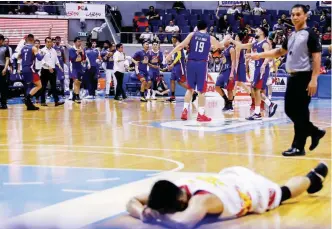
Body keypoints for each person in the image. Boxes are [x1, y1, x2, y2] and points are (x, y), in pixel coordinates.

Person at [126, 162, 328, 229]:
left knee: (284, 192)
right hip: (229, 179)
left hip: (252, 189)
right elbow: (131, 201)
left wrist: (157, 217)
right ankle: (313, 179)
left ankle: (312, 178)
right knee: (283, 191)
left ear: (180, 201)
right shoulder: (177, 188)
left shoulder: (201, 200)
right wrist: (143, 211)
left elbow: (184, 223)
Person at [246, 4, 326, 156]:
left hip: (304, 76)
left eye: (298, 14)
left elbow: (317, 57)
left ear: (305, 16)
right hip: (292, 77)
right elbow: (279, 51)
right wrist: (259, 55)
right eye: (293, 14)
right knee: (291, 110)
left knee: (301, 111)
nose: (295, 17)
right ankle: (314, 132)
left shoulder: (310, 34)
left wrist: (314, 79)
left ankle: (298, 146)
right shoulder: (292, 35)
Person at [166, 20, 229, 121]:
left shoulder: (192, 34)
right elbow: (220, 46)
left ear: (197, 27)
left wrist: (169, 54)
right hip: (202, 64)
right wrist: (225, 38)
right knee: (201, 91)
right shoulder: (210, 37)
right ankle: (201, 114)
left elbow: (181, 45)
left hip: (190, 63)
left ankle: (185, 110)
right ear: (206, 28)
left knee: (190, 88)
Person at [231, 27, 278, 120]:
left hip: (262, 69)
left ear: (262, 32)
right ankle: (270, 104)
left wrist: (264, 65)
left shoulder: (265, 44)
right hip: (257, 68)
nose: (255, 31)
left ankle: (258, 112)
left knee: (256, 90)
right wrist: (232, 40)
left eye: (257, 30)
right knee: (255, 90)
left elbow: (268, 56)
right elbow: (242, 46)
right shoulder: (255, 44)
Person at [20, 34, 44, 110]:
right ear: (32, 40)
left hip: (24, 69)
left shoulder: (23, 48)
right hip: (31, 70)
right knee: (39, 85)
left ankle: (29, 105)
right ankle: (27, 98)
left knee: (30, 86)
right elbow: (39, 58)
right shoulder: (33, 48)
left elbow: (19, 57)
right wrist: (43, 54)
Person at [40, 37, 64, 107]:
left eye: (50, 42)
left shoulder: (54, 50)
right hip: (45, 70)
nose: (49, 43)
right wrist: (48, 67)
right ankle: (42, 101)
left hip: (53, 70)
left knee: (54, 86)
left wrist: (59, 66)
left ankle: (56, 101)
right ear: (45, 42)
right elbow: (42, 61)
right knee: (43, 86)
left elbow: (56, 60)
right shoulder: (42, 50)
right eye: (48, 42)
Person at [167, 34, 190, 103]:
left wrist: (172, 64)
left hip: (179, 65)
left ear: (176, 38)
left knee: (180, 82)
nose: (171, 39)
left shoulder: (178, 44)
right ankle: (172, 96)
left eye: (172, 38)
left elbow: (179, 56)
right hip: (175, 65)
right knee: (172, 80)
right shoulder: (175, 45)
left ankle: (193, 92)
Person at [215, 38, 235, 112]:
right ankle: (226, 101)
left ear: (229, 41)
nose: (223, 41)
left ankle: (230, 105)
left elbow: (233, 62)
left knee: (229, 89)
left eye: (225, 39)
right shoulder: (224, 49)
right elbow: (223, 62)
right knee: (217, 86)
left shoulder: (231, 49)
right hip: (223, 70)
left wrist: (232, 73)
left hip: (229, 70)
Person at [68, 37, 85, 104]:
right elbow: (72, 58)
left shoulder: (81, 49)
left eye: (80, 41)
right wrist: (77, 53)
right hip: (73, 67)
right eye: (78, 41)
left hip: (80, 67)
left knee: (79, 82)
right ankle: (77, 96)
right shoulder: (72, 49)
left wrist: (83, 53)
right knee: (76, 81)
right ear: (74, 42)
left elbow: (83, 59)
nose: (79, 43)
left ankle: (74, 96)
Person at [0, 34, 10, 109]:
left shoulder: (5, 48)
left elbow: (7, 59)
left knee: (3, 87)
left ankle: (3, 103)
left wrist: (5, 68)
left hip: (2, 68)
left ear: (2, 40)